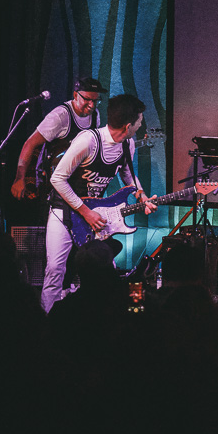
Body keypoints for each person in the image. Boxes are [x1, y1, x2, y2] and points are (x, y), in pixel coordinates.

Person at [44, 93, 158, 313]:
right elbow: (57, 178)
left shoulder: (128, 144)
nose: (140, 126)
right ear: (127, 126)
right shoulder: (88, 140)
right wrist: (85, 212)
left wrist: (141, 195)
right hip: (64, 211)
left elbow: (128, 175)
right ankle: (47, 323)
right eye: (139, 122)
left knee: (105, 272)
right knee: (55, 270)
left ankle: (107, 322)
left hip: (94, 215)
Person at [10, 76, 109, 201]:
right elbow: (30, 143)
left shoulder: (95, 115)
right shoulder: (60, 116)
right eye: (87, 99)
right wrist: (20, 178)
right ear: (75, 95)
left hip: (78, 179)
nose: (91, 105)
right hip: (54, 179)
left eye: (95, 101)